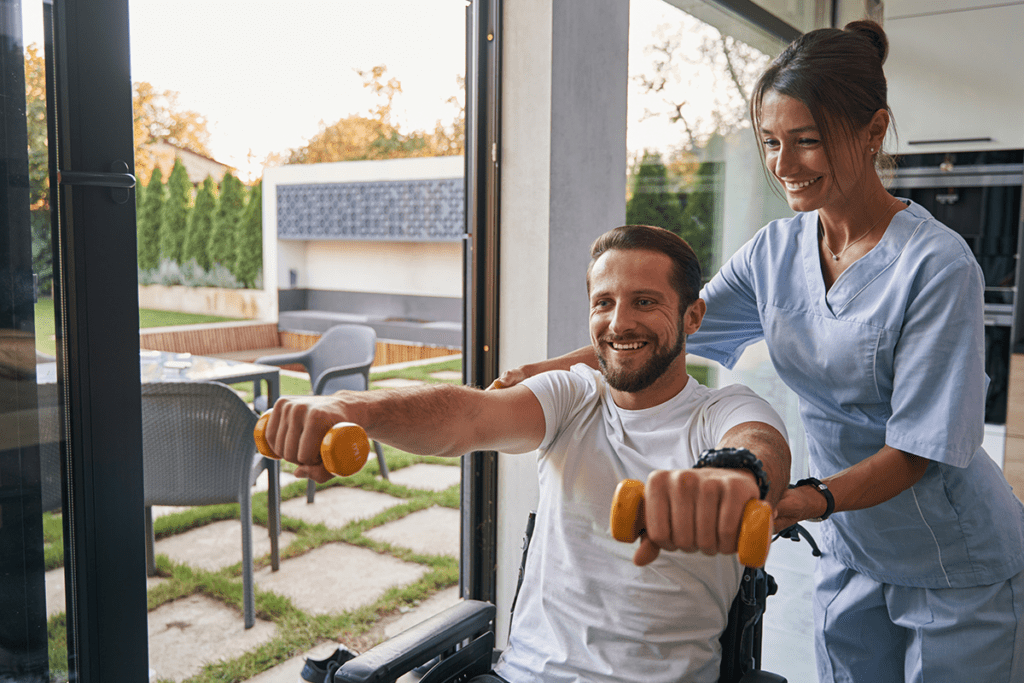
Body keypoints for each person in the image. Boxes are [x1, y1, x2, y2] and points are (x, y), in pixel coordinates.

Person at [494, 20, 1024, 683]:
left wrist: (798, 500)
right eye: (772, 142)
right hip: (850, 547)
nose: (783, 163)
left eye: (807, 141)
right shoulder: (777, 251)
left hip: (954, 560)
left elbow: (917, 448)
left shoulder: (936, 264)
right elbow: (668, 330)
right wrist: (550, 369)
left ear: (872, 131)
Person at [264, 224, 791, 683]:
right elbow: (465, 416)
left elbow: (760, 448)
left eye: (645, 302)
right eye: (604, 303)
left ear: (694, 317)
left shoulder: (723, 410)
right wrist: (347, 408)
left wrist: (733, 475)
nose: (619, 323)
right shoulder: (575, 393)